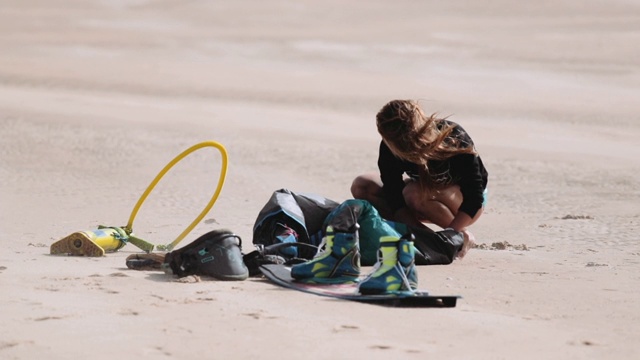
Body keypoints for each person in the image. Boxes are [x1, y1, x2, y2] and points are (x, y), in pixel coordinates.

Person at [351, 99, 488, 258]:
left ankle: (455, 236)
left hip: (464, 204)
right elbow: (393, 193)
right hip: (422, 196)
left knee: (414, 193)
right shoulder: (390, 144)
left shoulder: (453, 136)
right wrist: (412, 228)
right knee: (362, 185)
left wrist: (453, 231)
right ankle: (426, 238)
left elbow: (475, 196)